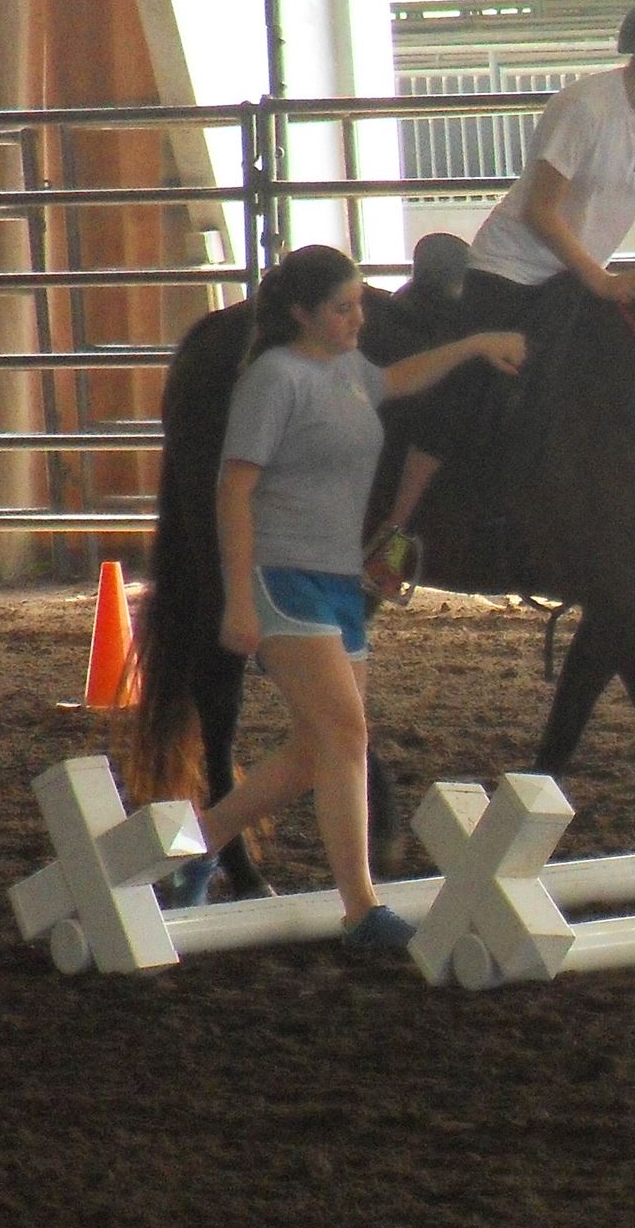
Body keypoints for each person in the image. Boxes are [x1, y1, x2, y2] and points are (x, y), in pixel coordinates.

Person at [168, 244, 528, 950]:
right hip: (284, 579)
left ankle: (199, 843)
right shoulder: (273, 380)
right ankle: (361, 908)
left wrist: (473, 345)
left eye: (358, 303)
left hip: (337, 581)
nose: (359, 317)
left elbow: (398, 379)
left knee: (314, 750)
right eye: (343, 307)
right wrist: (238, 599)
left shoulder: (347, 371)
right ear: (302, 313)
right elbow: (232, 490)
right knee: (347, 737)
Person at [365, 0, 635, 592]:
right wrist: (599, 278)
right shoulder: (583, 107)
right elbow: (541, 209)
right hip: (511, 269)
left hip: (581, 274)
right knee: (466, 390)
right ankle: (395, 533)